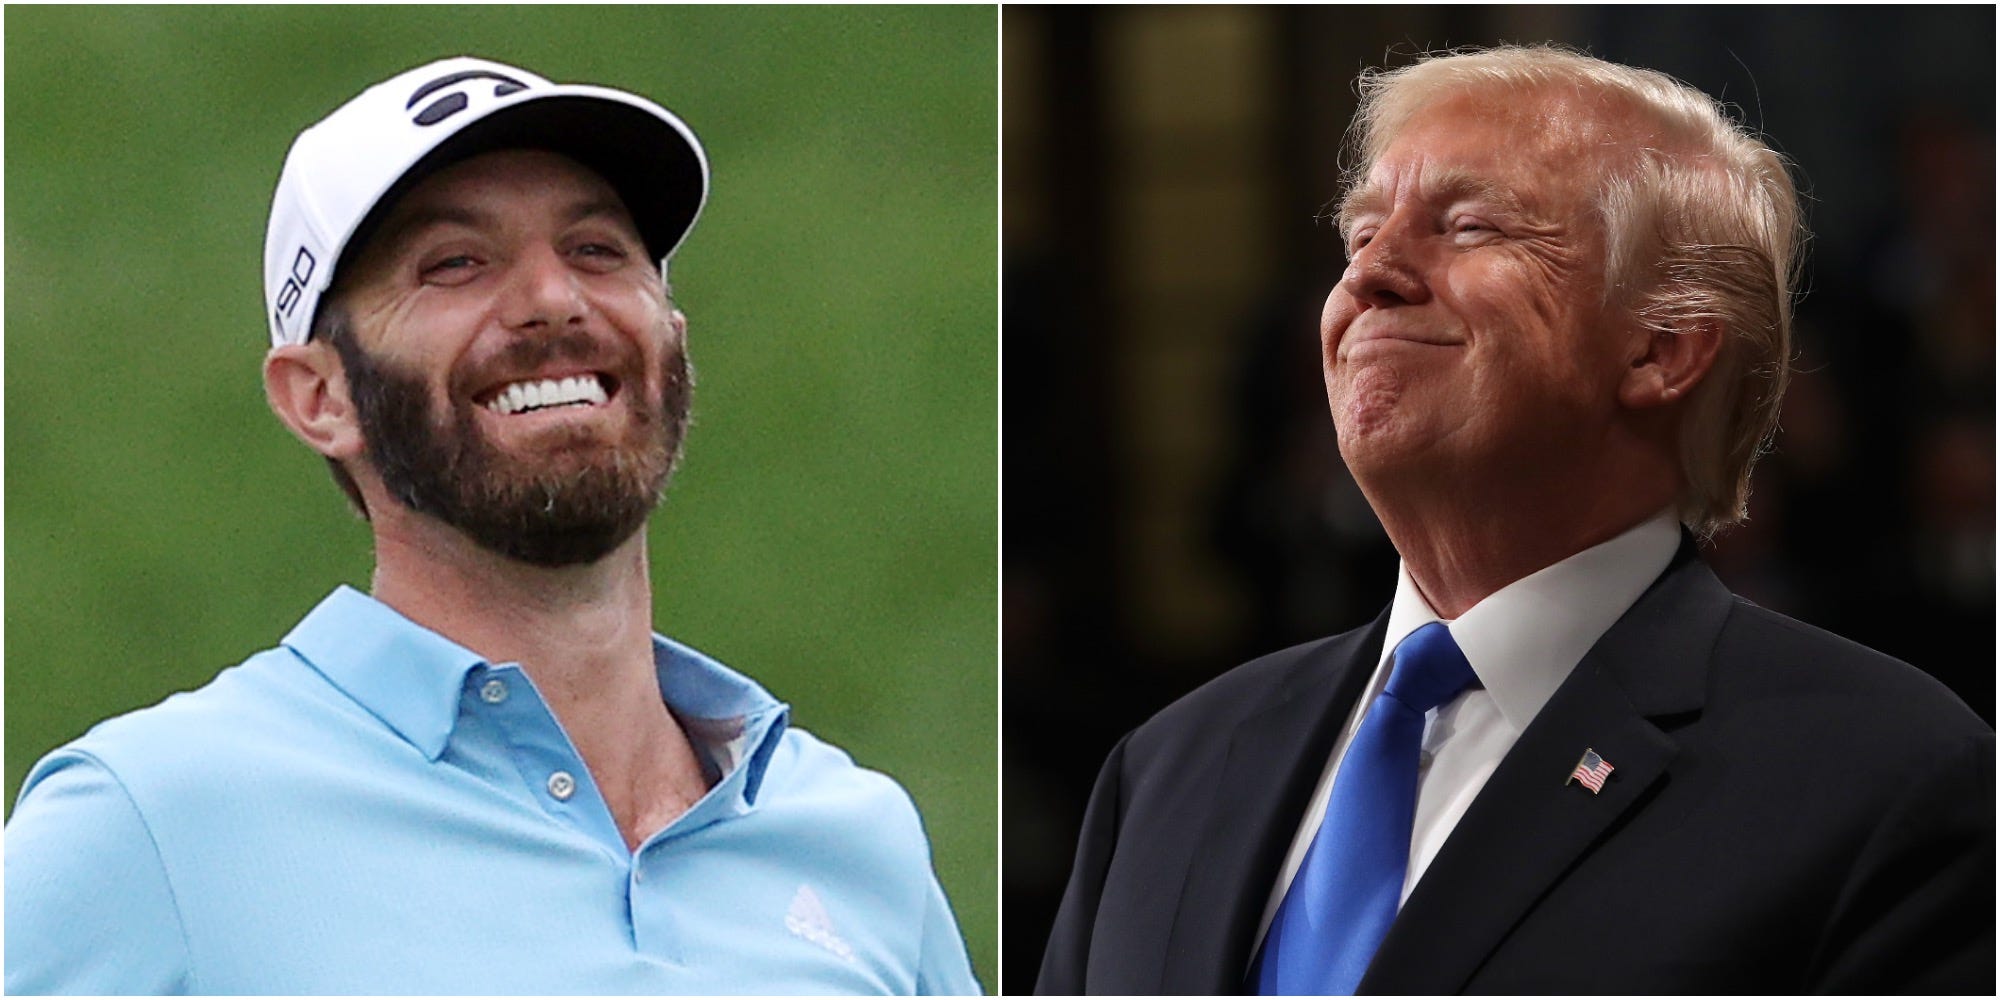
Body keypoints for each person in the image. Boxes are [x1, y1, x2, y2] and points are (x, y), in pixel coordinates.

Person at [6, 56, 980, 996]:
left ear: (669, 337)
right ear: (318, 396)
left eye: (597, 249)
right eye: (455, 263)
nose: (553, 299)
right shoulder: (146, 826)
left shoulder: (853, 839)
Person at [1037, 45, 1992, 995]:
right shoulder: (1168, 769)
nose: (1371, 277)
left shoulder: (1885, 786)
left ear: (1661, 348)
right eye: (1360, 235)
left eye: (1468, 226)